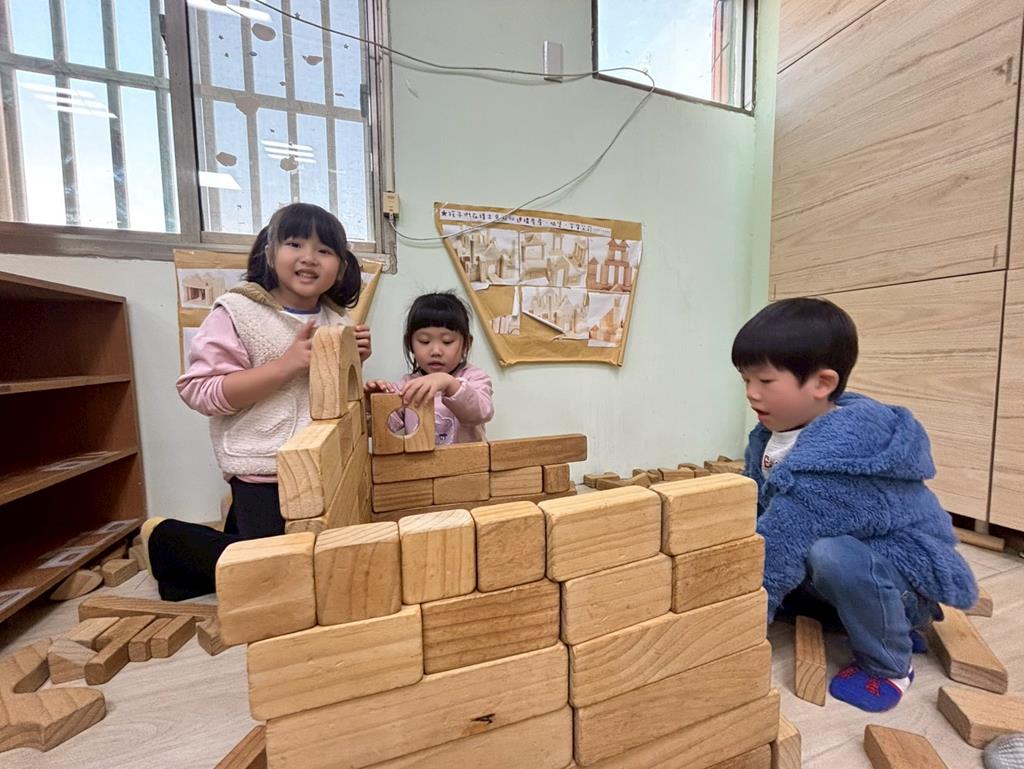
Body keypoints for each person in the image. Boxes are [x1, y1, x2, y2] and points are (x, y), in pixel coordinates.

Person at [732, 297, 977, 712]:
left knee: (829, 554)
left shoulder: (835, 458)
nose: (751, 393)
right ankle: (870, 618)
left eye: (766, 381)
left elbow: (783, 542)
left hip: (903, 581)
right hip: (860, 569)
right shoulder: (774, 432)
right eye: (746, 380)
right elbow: (757, 502)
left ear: (822, 384)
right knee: (806, 546)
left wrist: (737, 628)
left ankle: (890, 663)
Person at [144, 203, 370, 600]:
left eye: (324, 250)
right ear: (269, 252)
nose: (309, 258)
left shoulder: (338, 321)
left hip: (324, 468)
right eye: (294, 244)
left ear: (340, 266)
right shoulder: (237, 311)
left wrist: (357, 369)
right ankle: (165, 539)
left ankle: (221, 544)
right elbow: (200, 391)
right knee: (281, 574)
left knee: (324, 565)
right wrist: (286, 365)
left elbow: (329, 397)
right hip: (263, 470)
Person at [365, 292, 492, 444]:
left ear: (466, 344)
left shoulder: (474, 377)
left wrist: (448, 382)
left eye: (447, 341)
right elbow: (380, 430)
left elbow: (480, 413)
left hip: (469, 459)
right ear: (409, 344)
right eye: (424, 341)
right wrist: (373, 407)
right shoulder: (405, 386)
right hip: (421, 460)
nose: (436, 351)